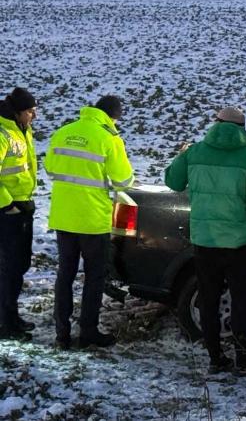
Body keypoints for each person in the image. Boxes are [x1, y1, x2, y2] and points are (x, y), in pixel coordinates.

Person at [164, 107, 246, 374]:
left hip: (205, 242)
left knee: (209, 300)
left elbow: (173, 182)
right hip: (241, 244)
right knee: (242, 302)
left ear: (217, 123)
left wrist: (181, 155)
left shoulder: (195, 152)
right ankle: (245, 360)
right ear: (242, 128)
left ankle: (215, 358)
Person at [45, 96, 135, 349]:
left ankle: (61, 333)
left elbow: (51, 169)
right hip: (93, 220)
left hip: (63, 217)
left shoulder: (63, 132)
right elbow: (124, 180)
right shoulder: (109, 138)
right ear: (113, 116)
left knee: (65, 274)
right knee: (94, 277)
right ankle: (88, 332)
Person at [0, 88, 38, 341]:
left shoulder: (20, 130)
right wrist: (6, 205)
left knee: (19, 266)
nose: (33, 115)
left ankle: (11, 316)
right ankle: (5, 324)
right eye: (29, 111)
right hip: (8, 211)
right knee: (7, 268)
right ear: (17, 112)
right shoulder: (3, 133)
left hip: (22, 206)